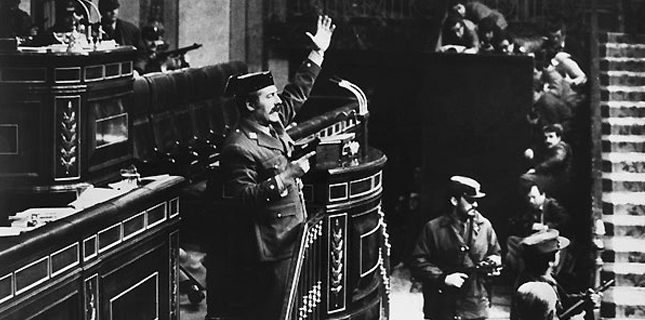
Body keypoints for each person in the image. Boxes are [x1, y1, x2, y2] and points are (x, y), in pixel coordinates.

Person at [217, 14, 335, 320]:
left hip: (291, 233)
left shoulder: (272, 122)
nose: (277, 101)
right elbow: (243, 199)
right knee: (275, 312)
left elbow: (297, 91)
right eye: (269, 97)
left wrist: (317, 53)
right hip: (269, 246)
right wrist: (288, 175)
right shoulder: (238, 146)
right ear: (249, 106)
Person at [410, 175, 502, 320]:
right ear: (454, 200)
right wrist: (442, 278)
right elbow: (418, 262)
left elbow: (495, 253)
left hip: (475, 304)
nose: (476, 205)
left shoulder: (485, 226)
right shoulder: (433, 228)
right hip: (442, 304)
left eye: (476, 200)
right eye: (471, 200)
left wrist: (494, 263)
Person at [513, 229, 600, 320]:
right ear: (552, 259)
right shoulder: (535, 287)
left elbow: (563, 301)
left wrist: (582, 299)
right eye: (558, 252)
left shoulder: (544, 276)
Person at [506, 177, 571, 274]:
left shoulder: (552, 205)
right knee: (512, 241)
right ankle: (523, 273)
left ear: (543, 195)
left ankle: (546, 273)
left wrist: (547, 227)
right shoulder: (530, 208)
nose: (531, 201)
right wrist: (531, 225)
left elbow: (565, 221)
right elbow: (520, 222)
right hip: (535, 240)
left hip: (549, 240)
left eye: (534, 197)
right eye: (529, 198)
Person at [524, 123, 573, 201]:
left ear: (559, 137)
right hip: (552, 179)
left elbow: (557, 159)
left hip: (558, 181)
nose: (547, 140)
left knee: (525, 179)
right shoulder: (550, 149)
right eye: (546, 137)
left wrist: (537, 169)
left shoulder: (561, 147)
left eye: (551, 137)